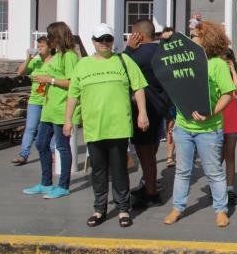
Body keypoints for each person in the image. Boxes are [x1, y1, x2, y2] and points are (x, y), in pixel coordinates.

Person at [63, 23, 149, 228]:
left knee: (120, 170)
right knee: (98, 171)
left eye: (108, 39)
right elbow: (73, 95)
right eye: (100, 39)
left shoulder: (124, 60)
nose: (104, 43)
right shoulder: (82, 65)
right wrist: (68, 120)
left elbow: (138, 88)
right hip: (94, 127)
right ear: (93, 41)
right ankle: (99, 209)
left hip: (118, 126)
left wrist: (143, 113)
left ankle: (122, 209)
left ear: (113, 41)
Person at [163, 20, 235, 228]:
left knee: (213, 172)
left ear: (207, 39)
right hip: (183, 127)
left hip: (209, 129)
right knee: (182, 171)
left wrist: (211, 112)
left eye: (195, 35)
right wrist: (168, 41)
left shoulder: (218, 64)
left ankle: (221, 211)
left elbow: (228, 94)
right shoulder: (185, 60)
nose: (191, 38)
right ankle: (178, 207)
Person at [23, 22, 79, 200]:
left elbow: (72, 82)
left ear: (58, 36)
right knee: (40, 143)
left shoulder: (69, 56)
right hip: (49, 107)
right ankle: (46, 182)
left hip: (61, 108)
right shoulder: (57, 55)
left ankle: (63, 185)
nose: (49, 40)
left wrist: (50, 80)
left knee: (62, 146)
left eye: (50, 36)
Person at [124, 19, 168, 207]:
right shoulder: (164, 53)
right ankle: (148, 185)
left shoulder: (137, 55)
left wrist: (128, 49)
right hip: (161, 108)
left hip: (143, 110)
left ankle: (151, 192)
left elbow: (121, 67)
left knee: (145, 154)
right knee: (151, 150)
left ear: (138, 35)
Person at [12, 36, 51, 166]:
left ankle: (50, 153)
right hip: (35, 99)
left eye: (42, 46)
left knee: (47, 130)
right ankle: (23, 155)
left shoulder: (54, 61)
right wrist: (28, 57)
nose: (39, 49)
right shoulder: (36, 61)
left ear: (50, 47)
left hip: (49, 100)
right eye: (38, 46)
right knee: (30, 128)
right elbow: (20, 72)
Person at [221, 47, 237, 206]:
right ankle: (217, 186)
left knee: (230, 156)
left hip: (231, 121)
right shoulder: (215, 73)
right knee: (215, 158)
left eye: (226, 61)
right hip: (216, 120)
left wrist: (233, 70)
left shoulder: (231, 75)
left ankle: (229, 188)